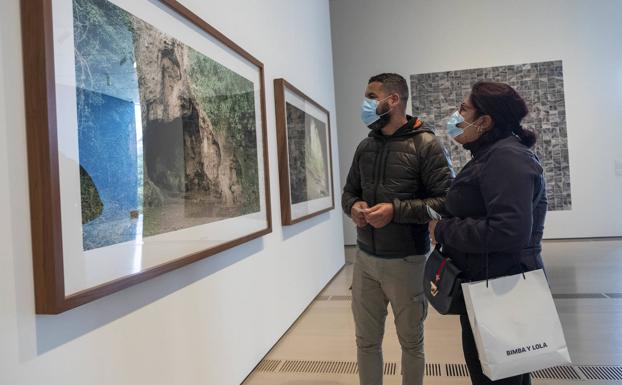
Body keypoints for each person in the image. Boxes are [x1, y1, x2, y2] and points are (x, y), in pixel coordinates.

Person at [429, 81, 547, 385]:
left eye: (463, 109)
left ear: (484, 122)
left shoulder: (505, 158)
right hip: (489, 284)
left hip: (500, 289)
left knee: (497, 377)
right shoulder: (492, 154)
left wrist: (443, 229)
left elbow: (508, 231)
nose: (456, 115)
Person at [342, 73, 454, 385]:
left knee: (412, 344)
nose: (365, 104)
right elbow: (348, 192)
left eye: (370, 96)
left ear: (392, 100)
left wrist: (396, 211)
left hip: (407, 261)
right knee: (365, 342)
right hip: (365, 261)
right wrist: (353, 206)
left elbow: (445, 203)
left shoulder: (426, 145)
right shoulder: (365, 146)